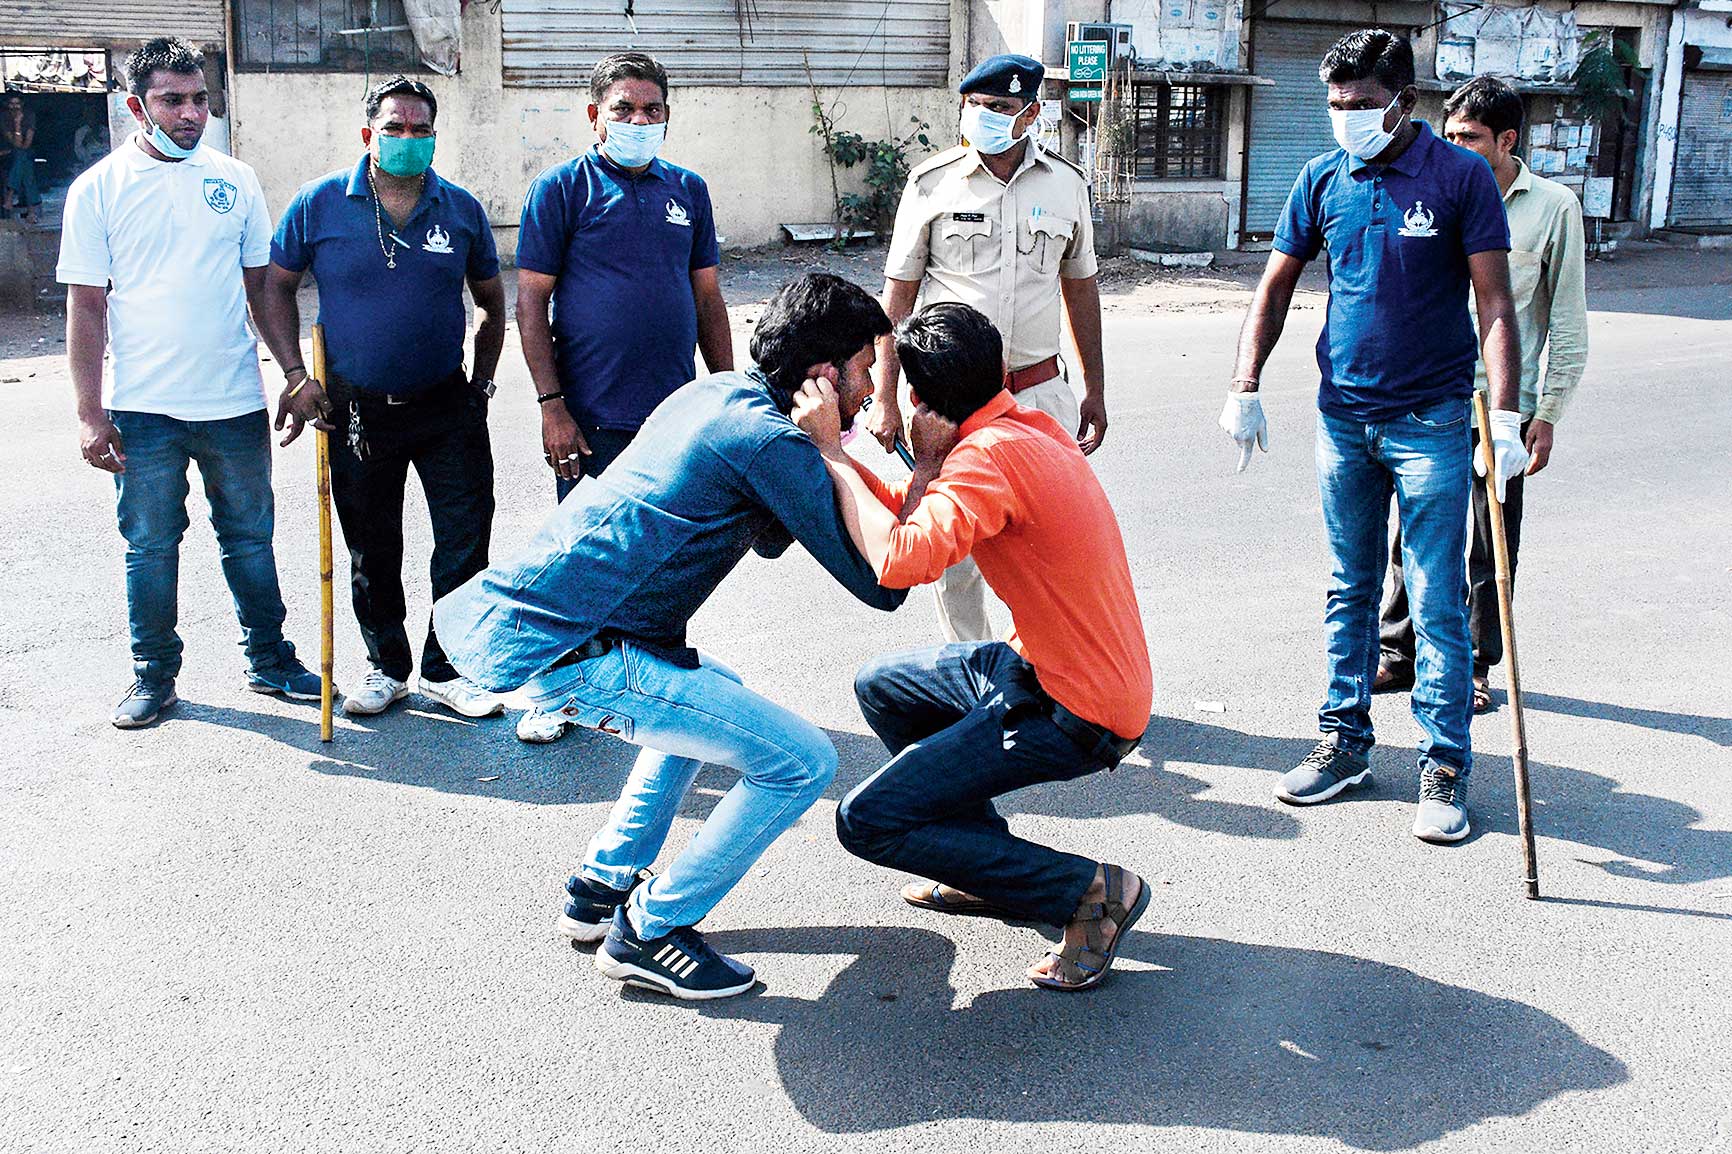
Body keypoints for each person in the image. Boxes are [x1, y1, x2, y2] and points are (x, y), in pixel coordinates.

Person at [433, 273, 907, 1001]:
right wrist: (837, 457)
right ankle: (651, 930)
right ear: (824, 375)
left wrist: (815, 459)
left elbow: (774, 538)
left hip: (551, 629)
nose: (871, 391)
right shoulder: (769, 443)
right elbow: (885, 584)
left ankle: (602, 885)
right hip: (582, 655)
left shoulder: (716, 395)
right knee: (802, 763)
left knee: (715, 697)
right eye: (866, 372)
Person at [1217, 29, 1528, 843]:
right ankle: (1344, 741)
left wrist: (1505, 411)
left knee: (1433, 599)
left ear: (1404, 102)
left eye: (1361, 105)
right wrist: (1245, 385)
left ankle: (1444, 764)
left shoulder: (1459, 177)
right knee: (1348, 587)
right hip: (1343, 420)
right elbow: (1275, 287)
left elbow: (1496, 305)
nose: (1345, 118)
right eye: (1334, 105)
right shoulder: (1323, 178)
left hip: (1431, 423)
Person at [793, 302, 1152, 991]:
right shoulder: (1023, 426)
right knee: (883, 685)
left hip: (1076, 710)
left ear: (922, 399)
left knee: (867, 819)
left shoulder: (990, 458)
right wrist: (906, 465)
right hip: (1042, 666)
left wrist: (833, 454)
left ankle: (1095, 894)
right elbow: (910, 505)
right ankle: (985, 865)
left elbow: (899, 558)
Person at [56, 37, 321, 728]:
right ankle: (153, 678)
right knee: (149, 547)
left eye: (199, 99)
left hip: (232, 402)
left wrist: (294, 374)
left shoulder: (236, 179)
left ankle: (271, 660)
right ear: (136, 105)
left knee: (250, 540)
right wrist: (90, 414)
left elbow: (263, 288)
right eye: (172, 100)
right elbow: (86, 307)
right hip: (143, 411)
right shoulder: (100, 189)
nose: (190, 114)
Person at [255, 76, 507, 720]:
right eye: (394, 128)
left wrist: (480, 384)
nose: (407, 139)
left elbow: (491, 303)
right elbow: (273, 289)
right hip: (355, 409)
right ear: (369, 134)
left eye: (421, 129)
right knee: (372, 546)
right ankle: (387, 665)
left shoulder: (461, 209)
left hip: (446, 403)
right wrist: (293, 374)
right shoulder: (319, 205)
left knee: (465, 538)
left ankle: (448, 668)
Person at [512, 50, 733, 745]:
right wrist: (552, 404)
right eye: (624, 110)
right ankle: (557, 689)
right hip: (589, 418)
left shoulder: (687, 191)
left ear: (667, 115)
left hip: (672, 420)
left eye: (652, 110)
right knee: (581, 560)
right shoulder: (561, 190)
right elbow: (530, 304)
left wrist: (728, 394)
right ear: (595, 116)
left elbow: (708, 300)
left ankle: (652, 688)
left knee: (664, 562)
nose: (640, 121)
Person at [869, 53, 1109, 645]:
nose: (984, 117)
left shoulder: (1065, 185)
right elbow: (895, 301)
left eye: (1001, 108)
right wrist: (884, 396)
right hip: (950, 402)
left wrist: (1094, 388)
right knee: (957, 557)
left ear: (1029, 116)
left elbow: (1080, 290)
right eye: (976, 106)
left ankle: (1049, 667)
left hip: (1037, 393)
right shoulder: (932, 182)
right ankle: (971, 670)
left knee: (1052, 539)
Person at [1377, 76, 1588, 713]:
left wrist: (1543, 415)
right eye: (1451, 135)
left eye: (1471, 137)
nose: (1457, 147)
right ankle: (1397, 650)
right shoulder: (1433, 193)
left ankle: (1474, 662)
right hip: (1426, 396)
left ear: (1507, 140)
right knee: (1411, 528)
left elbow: (1568, 324)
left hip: (1498, 408)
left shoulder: (1552, 209)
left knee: (1489, 539)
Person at [1, 92, 40, 222]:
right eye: (11, 104)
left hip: (24, 153)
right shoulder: (4, 117)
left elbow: (26, 144)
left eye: (17, 104)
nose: (14, 107)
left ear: (22, 105)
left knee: (23, 158)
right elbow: (16, 144)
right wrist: (17, 124)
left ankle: (10, 196)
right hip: (7, 154)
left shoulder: (29, 116)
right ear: (7, 105)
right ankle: (32, 212)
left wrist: (19, 122)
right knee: (23, 160)